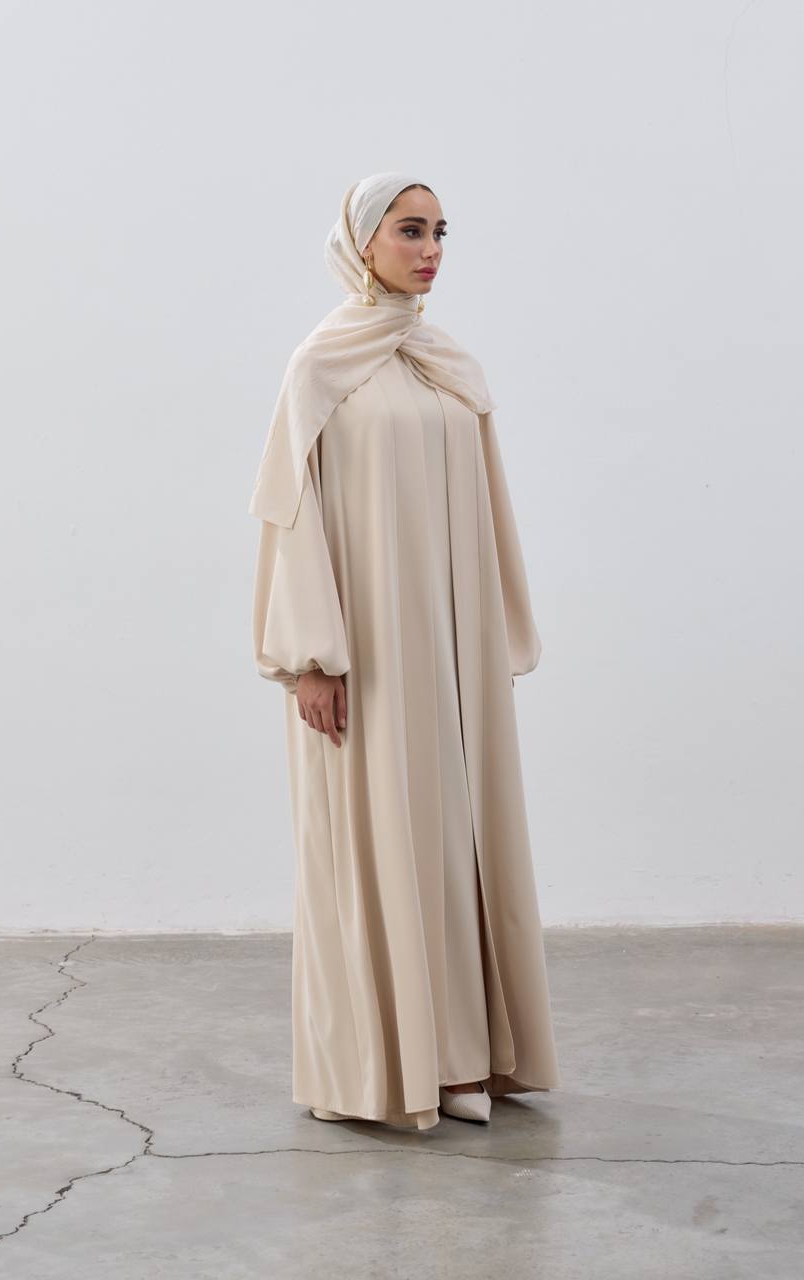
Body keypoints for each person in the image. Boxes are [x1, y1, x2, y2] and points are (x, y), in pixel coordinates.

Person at [249, 172, 561, 1129]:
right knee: (377, 836)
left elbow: (489, 507)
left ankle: (466, 1055)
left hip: (452, 643)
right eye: (410, 231)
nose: (430, 250)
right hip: (368, 652)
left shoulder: (445, 363)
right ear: (362, 243)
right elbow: (289, 515)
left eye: (439, 232)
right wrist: (311, 657)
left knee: (459, 835)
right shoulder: (320, 366)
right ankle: (383, 1068)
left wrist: (487, 631)